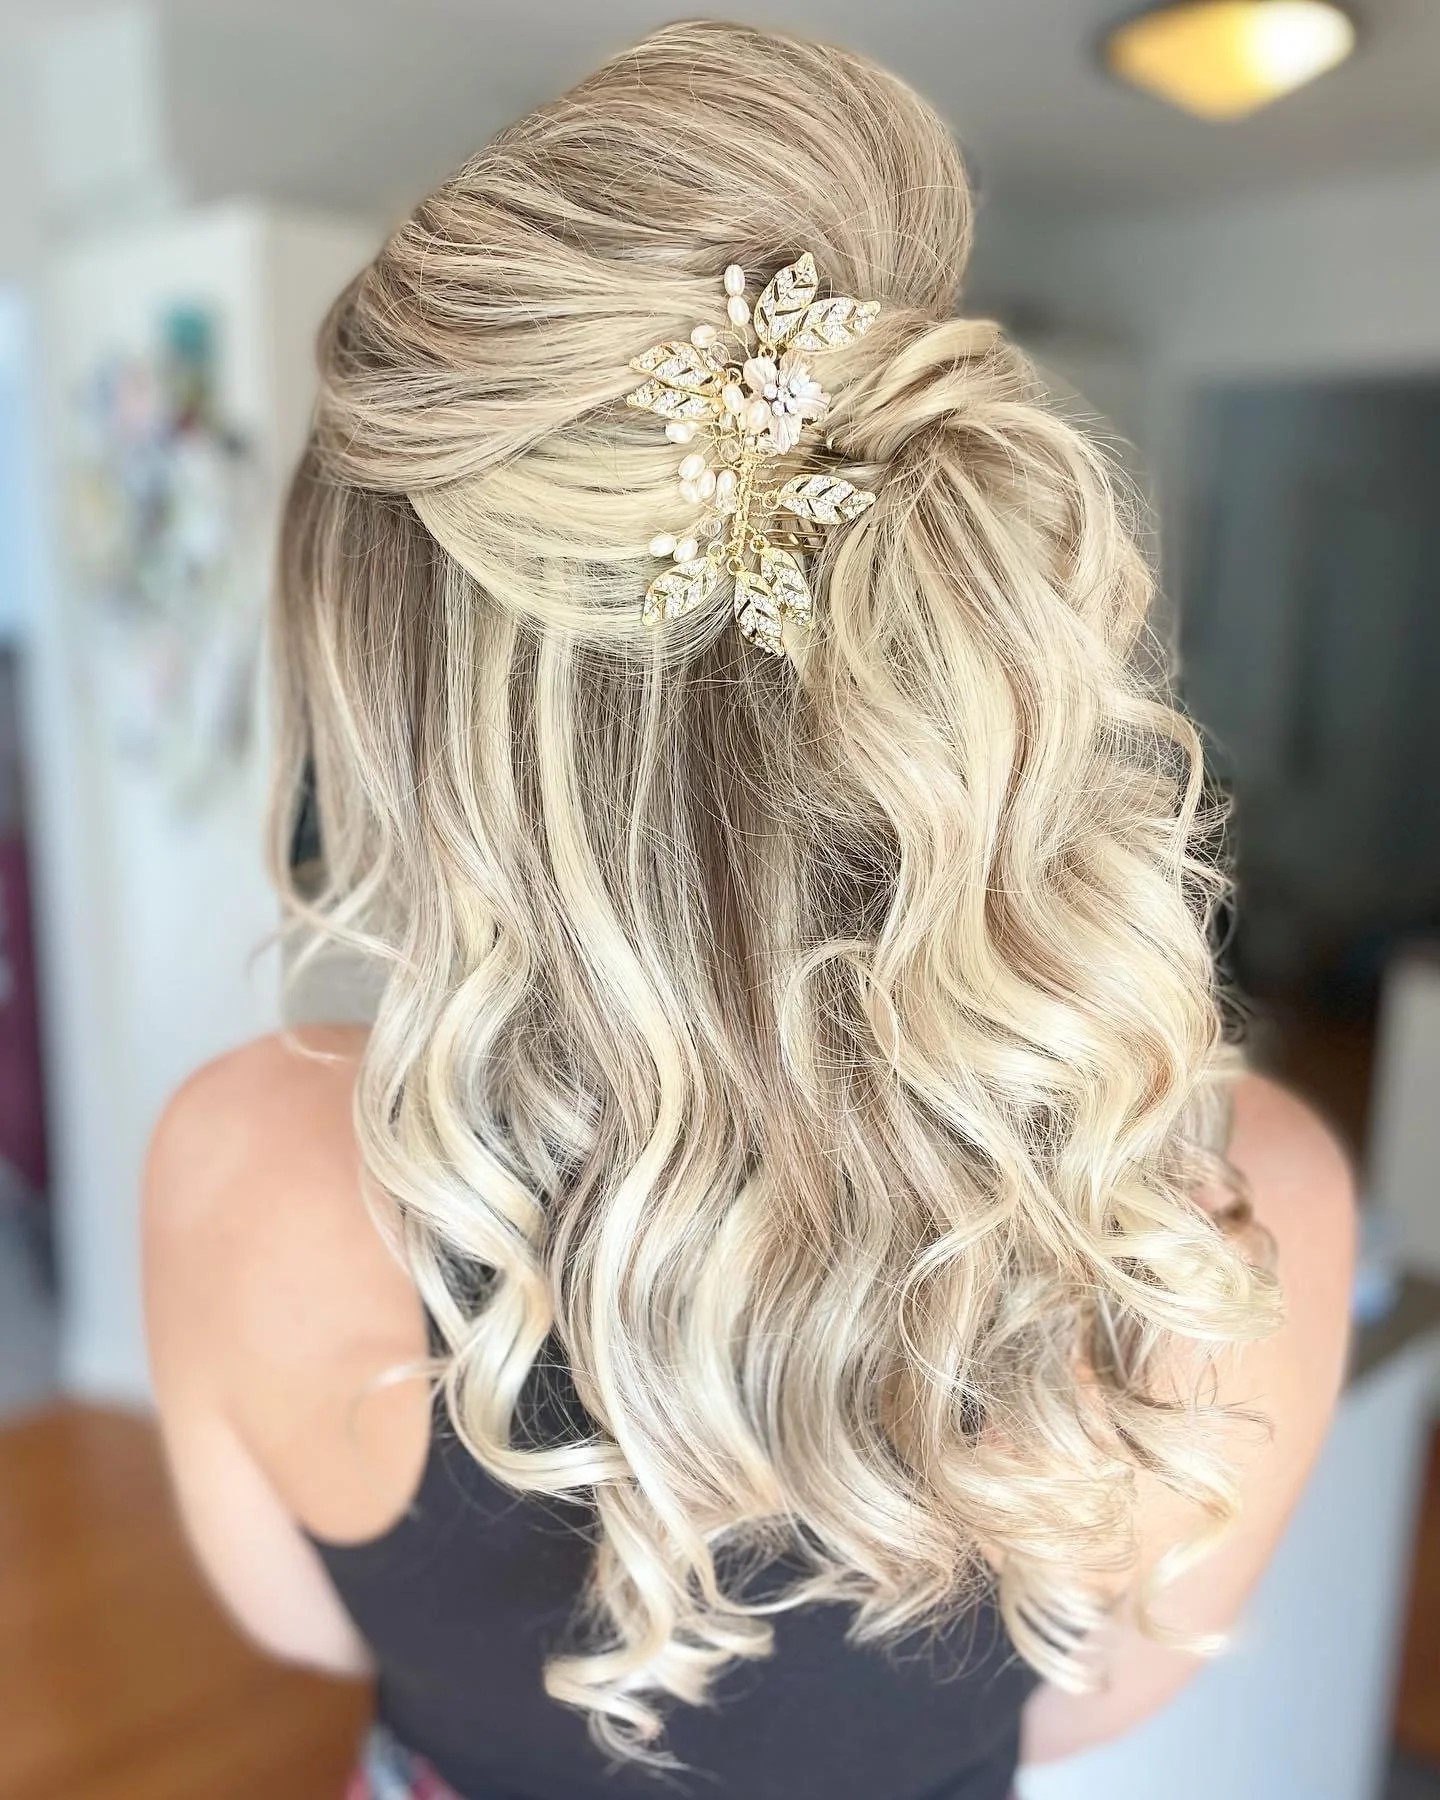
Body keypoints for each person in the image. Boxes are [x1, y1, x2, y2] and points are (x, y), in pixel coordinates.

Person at [143, 21, 1355, 1800]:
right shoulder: (1236, 1211)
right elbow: (1098, 1698)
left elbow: (311, 1628)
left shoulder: (241, 1165)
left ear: (406, 713)